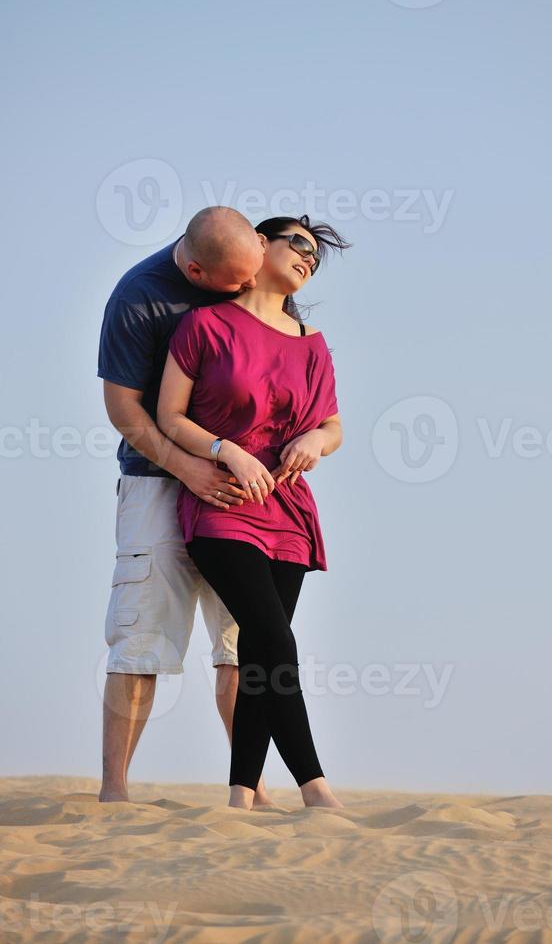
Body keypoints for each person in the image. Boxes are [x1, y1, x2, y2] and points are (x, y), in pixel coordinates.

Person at [157, 214, 350, 809]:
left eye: (315, 255)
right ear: (258, 246)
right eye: (298, 243)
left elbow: (334, 426)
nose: (307, 258)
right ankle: (315, 788)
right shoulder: (204, 325)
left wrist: (316, 441)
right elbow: (170, 416)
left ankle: (242, 793)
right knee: (272, 637)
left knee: (262, 653)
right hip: (222, 502)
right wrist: (225, 450)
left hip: (288, 511)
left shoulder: (313, 346)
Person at [97, 206, 289, 805]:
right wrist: (188, 468)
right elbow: (124, 407)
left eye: (254, 272)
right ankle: (115, 793)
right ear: (199, 270)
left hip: (243, 489)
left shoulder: (253, 273)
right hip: (157, 481)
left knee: (243, 641)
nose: (249, 289)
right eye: (236, 283)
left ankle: (250, 792)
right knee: (141, 637)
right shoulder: (139, 296)